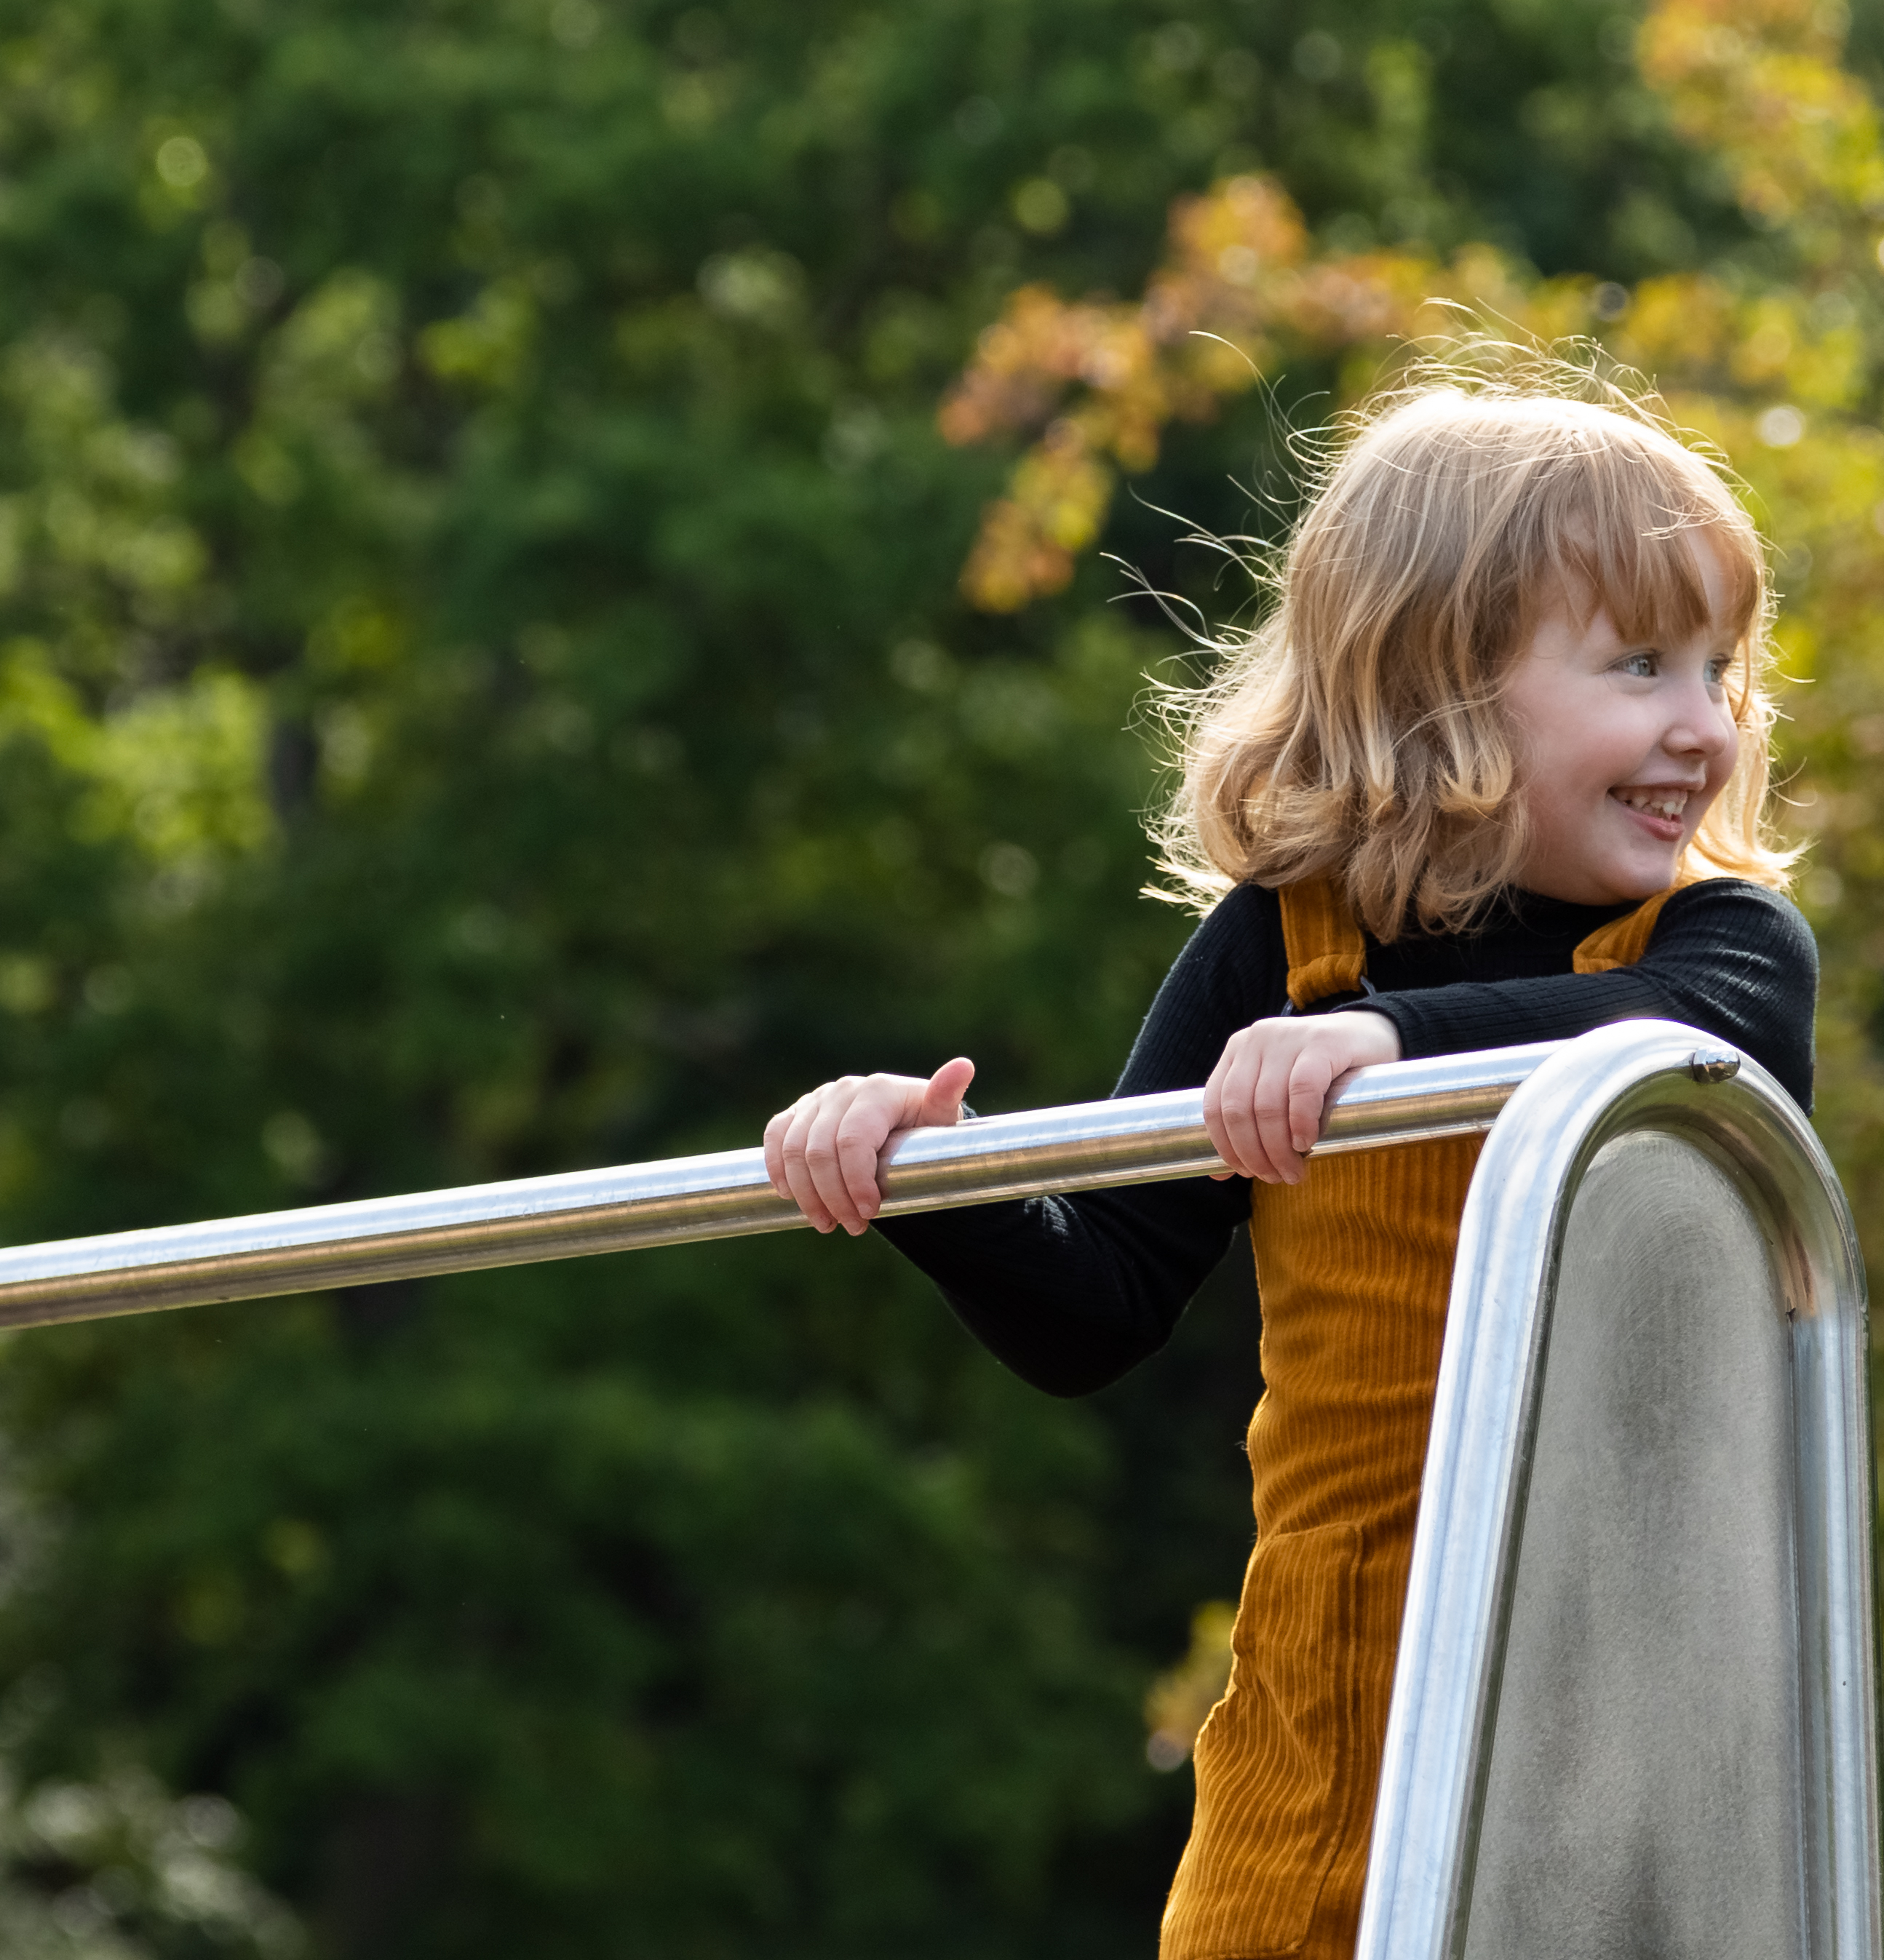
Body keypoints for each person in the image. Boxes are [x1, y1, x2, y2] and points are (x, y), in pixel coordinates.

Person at [763, 362, 1817, 1959]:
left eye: (1717, 670)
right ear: (1441, 687)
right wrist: (927, 1175)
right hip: (1352, 1671)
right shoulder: (1281, 946)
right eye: (1638, 667)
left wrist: (1393, 1045)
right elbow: (1098, 1302)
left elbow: (1696, 1033)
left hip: (1634, 1676)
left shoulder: (1710, 939)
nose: (1702, 726)